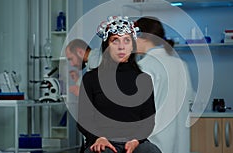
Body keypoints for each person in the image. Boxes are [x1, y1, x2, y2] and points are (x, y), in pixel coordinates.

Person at [77, 16, 162, 153]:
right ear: (107, 45)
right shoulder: (90, 79)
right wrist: (98, 138)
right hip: (102, 141)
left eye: (126, 40)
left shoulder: (144, 79)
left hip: (134, 142)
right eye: (115, 40)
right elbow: (83, 119)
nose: (121, 46)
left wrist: (136, 141)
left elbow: (148, 121)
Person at [135, 16, 195, 153]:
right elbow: (190, 98)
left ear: (142, 37)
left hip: (155, 141)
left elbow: (138, 109)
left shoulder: (144, 67)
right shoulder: (181, 64)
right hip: (181, 143)